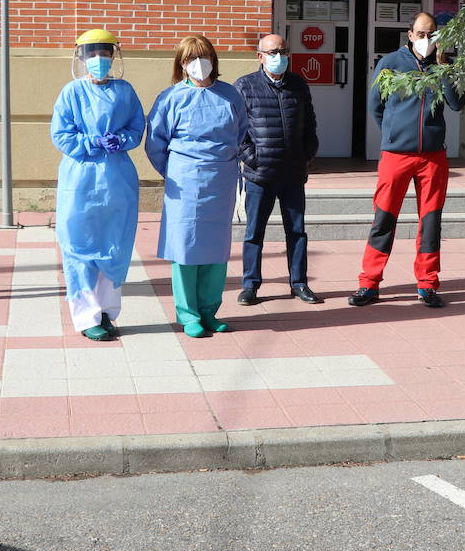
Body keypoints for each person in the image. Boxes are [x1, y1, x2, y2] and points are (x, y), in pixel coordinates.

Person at [349, 12, 464, 308]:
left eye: (432, 35)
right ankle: (369, 283)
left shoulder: (444, 66)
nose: (426, 40)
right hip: (396, 155)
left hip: (433, 157)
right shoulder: (390, 63)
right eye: (421, 34)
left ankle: (427, 283)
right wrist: (392, 134)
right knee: (384, 218)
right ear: (410, 35)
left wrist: (443, 66)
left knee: (431, 222)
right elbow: (376, 106)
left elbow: (456, 103)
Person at [145, 35, 248, 338]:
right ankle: (188, 314)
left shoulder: (230, 96)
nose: (198, 64)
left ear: (214, 60)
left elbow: (241, 133)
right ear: (181, 63)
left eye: (203, 57)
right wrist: (177, 171)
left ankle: (209, 311)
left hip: (222, 180)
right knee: (186, 247)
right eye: (190, 59)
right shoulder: (170, 98)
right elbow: (155, 143)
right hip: (185, 181)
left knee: (216, 250)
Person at [51, 29, 146, 342]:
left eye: (104, 53)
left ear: (114, 56)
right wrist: (91, 142)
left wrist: (122, 140)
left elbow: (136, 126)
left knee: (115, 246)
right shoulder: (71, 92)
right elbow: (61, 134)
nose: (98, 60)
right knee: (79, 247)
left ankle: (106, 310)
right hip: (81, 180)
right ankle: (85, 316)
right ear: (81, 57)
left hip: (117, 179)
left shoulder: (125, 91)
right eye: (91, 54)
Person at [234, 34, 322, 306]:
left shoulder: (298, 84)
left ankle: (299, 283)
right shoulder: (245, 86)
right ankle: (250, 285)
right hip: (260, 175)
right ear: (260, 56)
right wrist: (253, 158)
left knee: (297, 232)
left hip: (293, 174)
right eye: (272, 52)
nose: (278, 56)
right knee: (254, 232)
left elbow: (310, 125)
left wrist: (306, 155)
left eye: (283, 51)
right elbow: (236, 131)